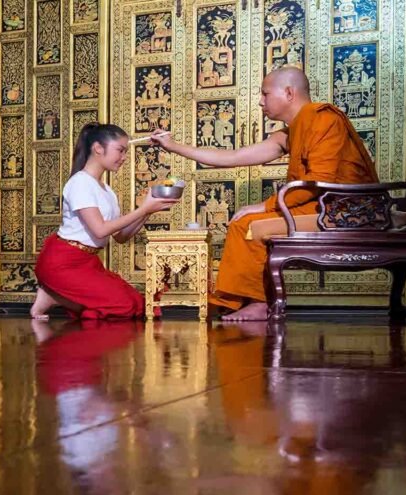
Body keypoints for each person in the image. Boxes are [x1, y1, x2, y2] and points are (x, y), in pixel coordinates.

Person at [152, 66, 378, 321]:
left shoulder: (324, 119)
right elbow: (233, 157)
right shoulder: (292, 131)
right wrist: (173, 146)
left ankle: (257, 303)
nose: (260, 101)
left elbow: (318, 182)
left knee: (249, 224)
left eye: (265, 94)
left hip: (346, 211)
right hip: (325, 206)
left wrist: (266, 206)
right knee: (245, 222)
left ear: (289, 93)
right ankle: (247, 302)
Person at [31, 123, 180, 320]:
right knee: (123, 307)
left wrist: (148, 211)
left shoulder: (107, 190)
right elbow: (100, 230)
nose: (124, 157)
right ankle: (54, 295)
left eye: (125, 151)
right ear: (98, 148)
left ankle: (55, 296)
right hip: (63, 262)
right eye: (120, 150)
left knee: (136, 302)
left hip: (88, 262)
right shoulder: (80, 182)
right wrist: (143, 209)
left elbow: (120, 236)